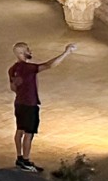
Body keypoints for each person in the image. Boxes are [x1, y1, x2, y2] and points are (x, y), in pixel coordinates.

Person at [10, 42, 76, 172]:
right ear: (22, 53)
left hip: (19, 103)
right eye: (28, 49)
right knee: (29, 134)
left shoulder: (12, 69)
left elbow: (13, 88)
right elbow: (49, 65)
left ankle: (19, 158)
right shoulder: (29, 68)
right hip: (30, 104)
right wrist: (66, 52)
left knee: (19, 130)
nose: (30, 51)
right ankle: (26, 161)